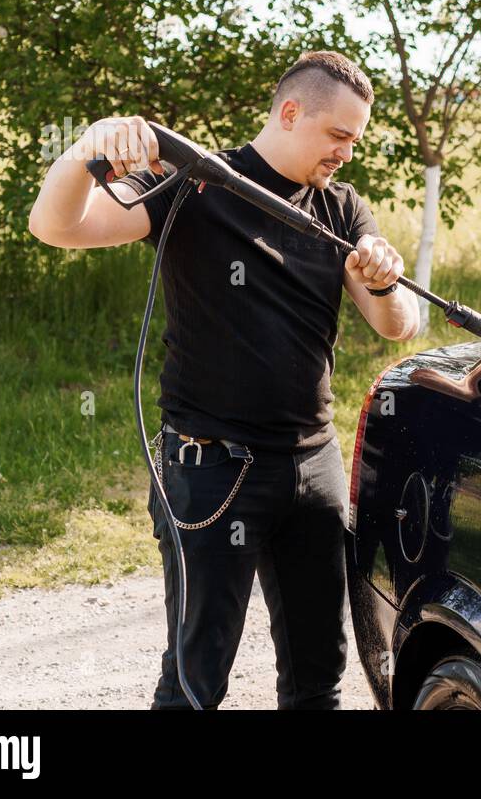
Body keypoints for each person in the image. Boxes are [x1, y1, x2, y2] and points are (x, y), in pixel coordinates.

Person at [28, 50, 419, 709]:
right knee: (195, 679)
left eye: (356, 139)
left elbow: (397, 324)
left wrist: (383, 280)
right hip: (213, 469)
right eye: (339, 136)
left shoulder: (342, 208)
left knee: (319, 676)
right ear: (291, 113)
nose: (348, 152)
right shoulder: (193, 185)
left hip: (312, 470)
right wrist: (85, 149)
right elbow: (57, 226)